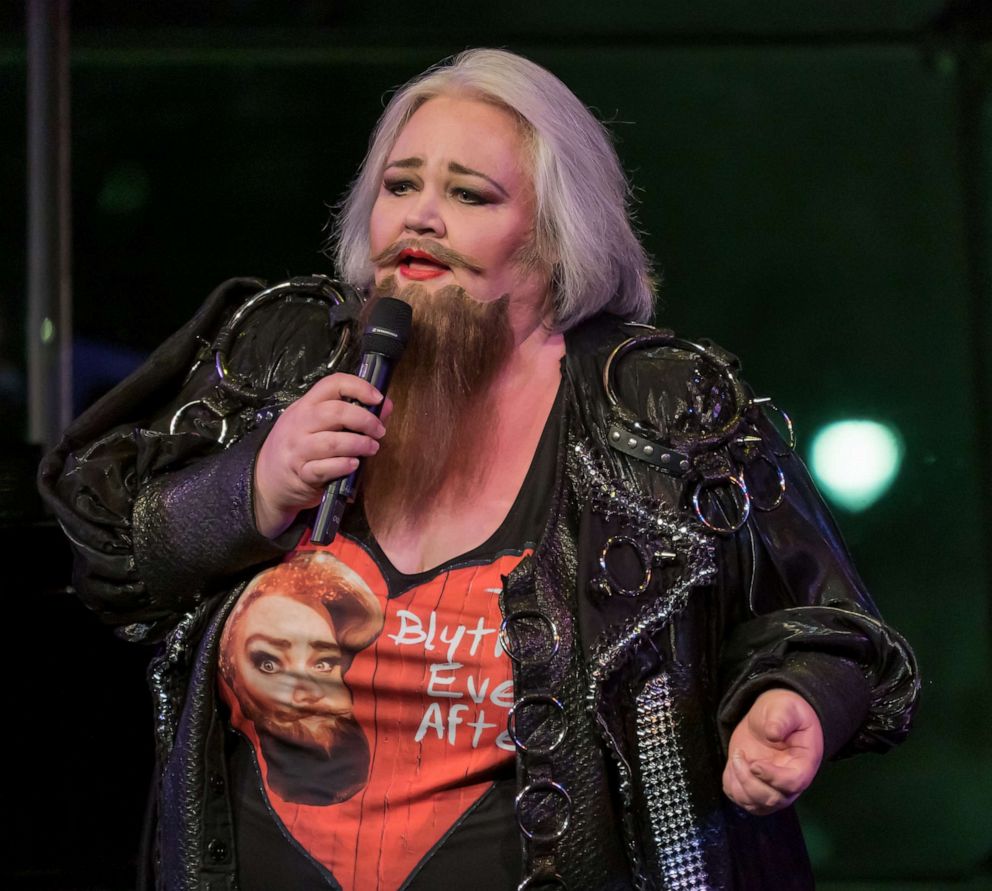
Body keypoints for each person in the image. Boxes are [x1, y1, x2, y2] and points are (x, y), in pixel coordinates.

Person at [40, 48, 918, 891]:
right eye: (400, 185)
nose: (422, 215)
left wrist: (793, 702)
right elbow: (114, 555)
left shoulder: (655, 407)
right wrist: (251, 488)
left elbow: (823, 625)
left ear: (554, 242)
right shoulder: (286, 355)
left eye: (470, 194)